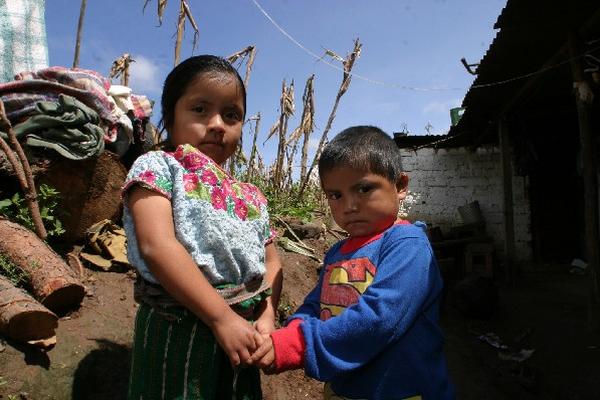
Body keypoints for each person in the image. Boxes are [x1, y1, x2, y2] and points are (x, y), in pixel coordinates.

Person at [250, 126, 455, 399]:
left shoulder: (407, 244)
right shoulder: (337, 252)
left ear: (400, 186)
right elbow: (315, 304)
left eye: (364, 189)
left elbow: (379, 318)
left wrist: (298, 344)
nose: (349, 206)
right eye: (336, 195)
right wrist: (292, 330)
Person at [122, 55, 282, 400]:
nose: (217, 124)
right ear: (170, 117)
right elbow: (157, 245)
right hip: (177, 326)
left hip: (245, 334)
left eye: (231, 114)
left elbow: (273, 262)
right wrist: (221, 318)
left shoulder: (251, 196)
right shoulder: (159, 166)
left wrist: (267, 318)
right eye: (199, 109)